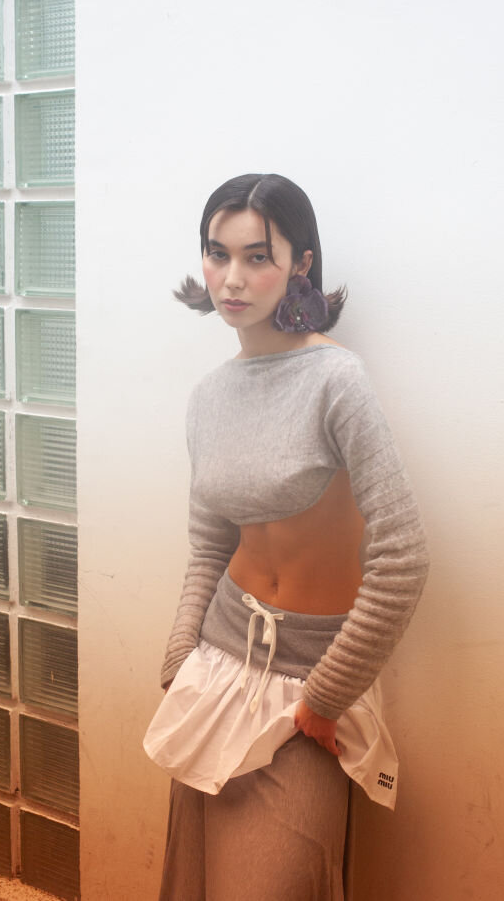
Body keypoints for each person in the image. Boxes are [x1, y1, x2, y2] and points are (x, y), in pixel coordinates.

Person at [143, 173, 430, 900]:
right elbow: (210, 543)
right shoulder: (208, 396)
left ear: (301, 263)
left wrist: (326, 698)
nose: (232, 279)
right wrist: (179, 659)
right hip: (214, 665)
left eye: (257, 257)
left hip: (308, 680)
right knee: (193, 885)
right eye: (218, 253)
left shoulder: (337, 380)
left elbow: (402, 558)